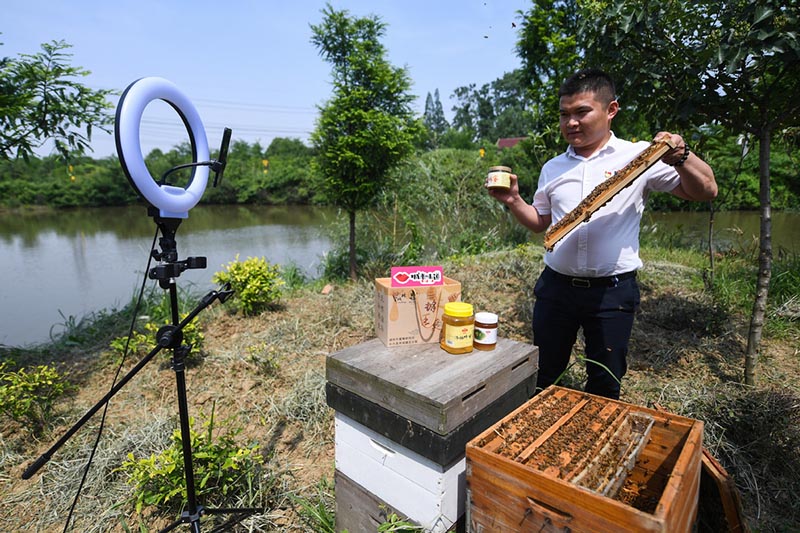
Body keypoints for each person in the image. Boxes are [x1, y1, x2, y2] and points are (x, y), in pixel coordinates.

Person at [487, 68, 717, 399]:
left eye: (582, 112)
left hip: (612, 293)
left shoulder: (639, 157)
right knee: (545, 374)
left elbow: (705, 190)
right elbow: (541, 223)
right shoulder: (553, 167)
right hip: (556, 289)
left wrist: (680, 155)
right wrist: (513, 200)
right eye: (565, 114)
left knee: (605, 382)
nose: (571, 123)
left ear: (611, 110)